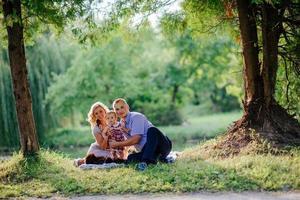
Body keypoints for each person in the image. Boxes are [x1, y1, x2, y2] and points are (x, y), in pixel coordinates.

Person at [110, 98, 172, 171]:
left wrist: (117, 144)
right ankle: (159, 159)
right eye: (117, 109)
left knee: (152, 130)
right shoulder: (121, 124)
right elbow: (128, 141)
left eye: (122, 107)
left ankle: (145, 163)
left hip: (161, 145)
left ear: (127, 107)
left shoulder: (136, 117)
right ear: (115, 112)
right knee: (130, 158)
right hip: (148, 150)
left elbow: (136, 139)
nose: (120, 111)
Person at [74, 102, 113, 166]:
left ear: (105, 110)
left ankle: (82, 160)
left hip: (113, 147)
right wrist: (106, 137)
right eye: (96, 113)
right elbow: (103, 147)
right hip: (100, 148)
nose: (99, 114)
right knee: (102, 160)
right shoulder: (96, 129)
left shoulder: (112, 121)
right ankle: (80, 161)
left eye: (101, 111)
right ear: (94, 116)